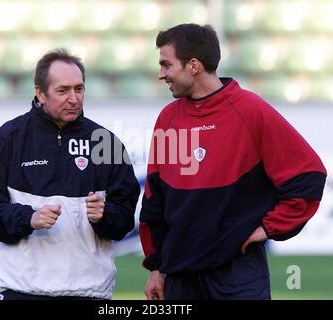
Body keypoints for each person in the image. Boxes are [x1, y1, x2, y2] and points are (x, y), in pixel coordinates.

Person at [139, 23, 327, 300]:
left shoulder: (250, 110)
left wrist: (268, 228)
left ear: (193, 65)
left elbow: (308, 175)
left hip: (237, 275)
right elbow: (156, 199)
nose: (161, 74)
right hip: (179, 277)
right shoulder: (168, 119)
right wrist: (156, 268)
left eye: (166, 65)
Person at [0, 48, 140, 300]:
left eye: (79, 89)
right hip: (20, 289)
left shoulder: (106, 143)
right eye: (63, 90)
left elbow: (125, 219)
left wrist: (105, 215)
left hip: (88, 291)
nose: (73, 98)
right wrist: (29, 218)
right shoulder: (8, 139)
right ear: (40, 93)